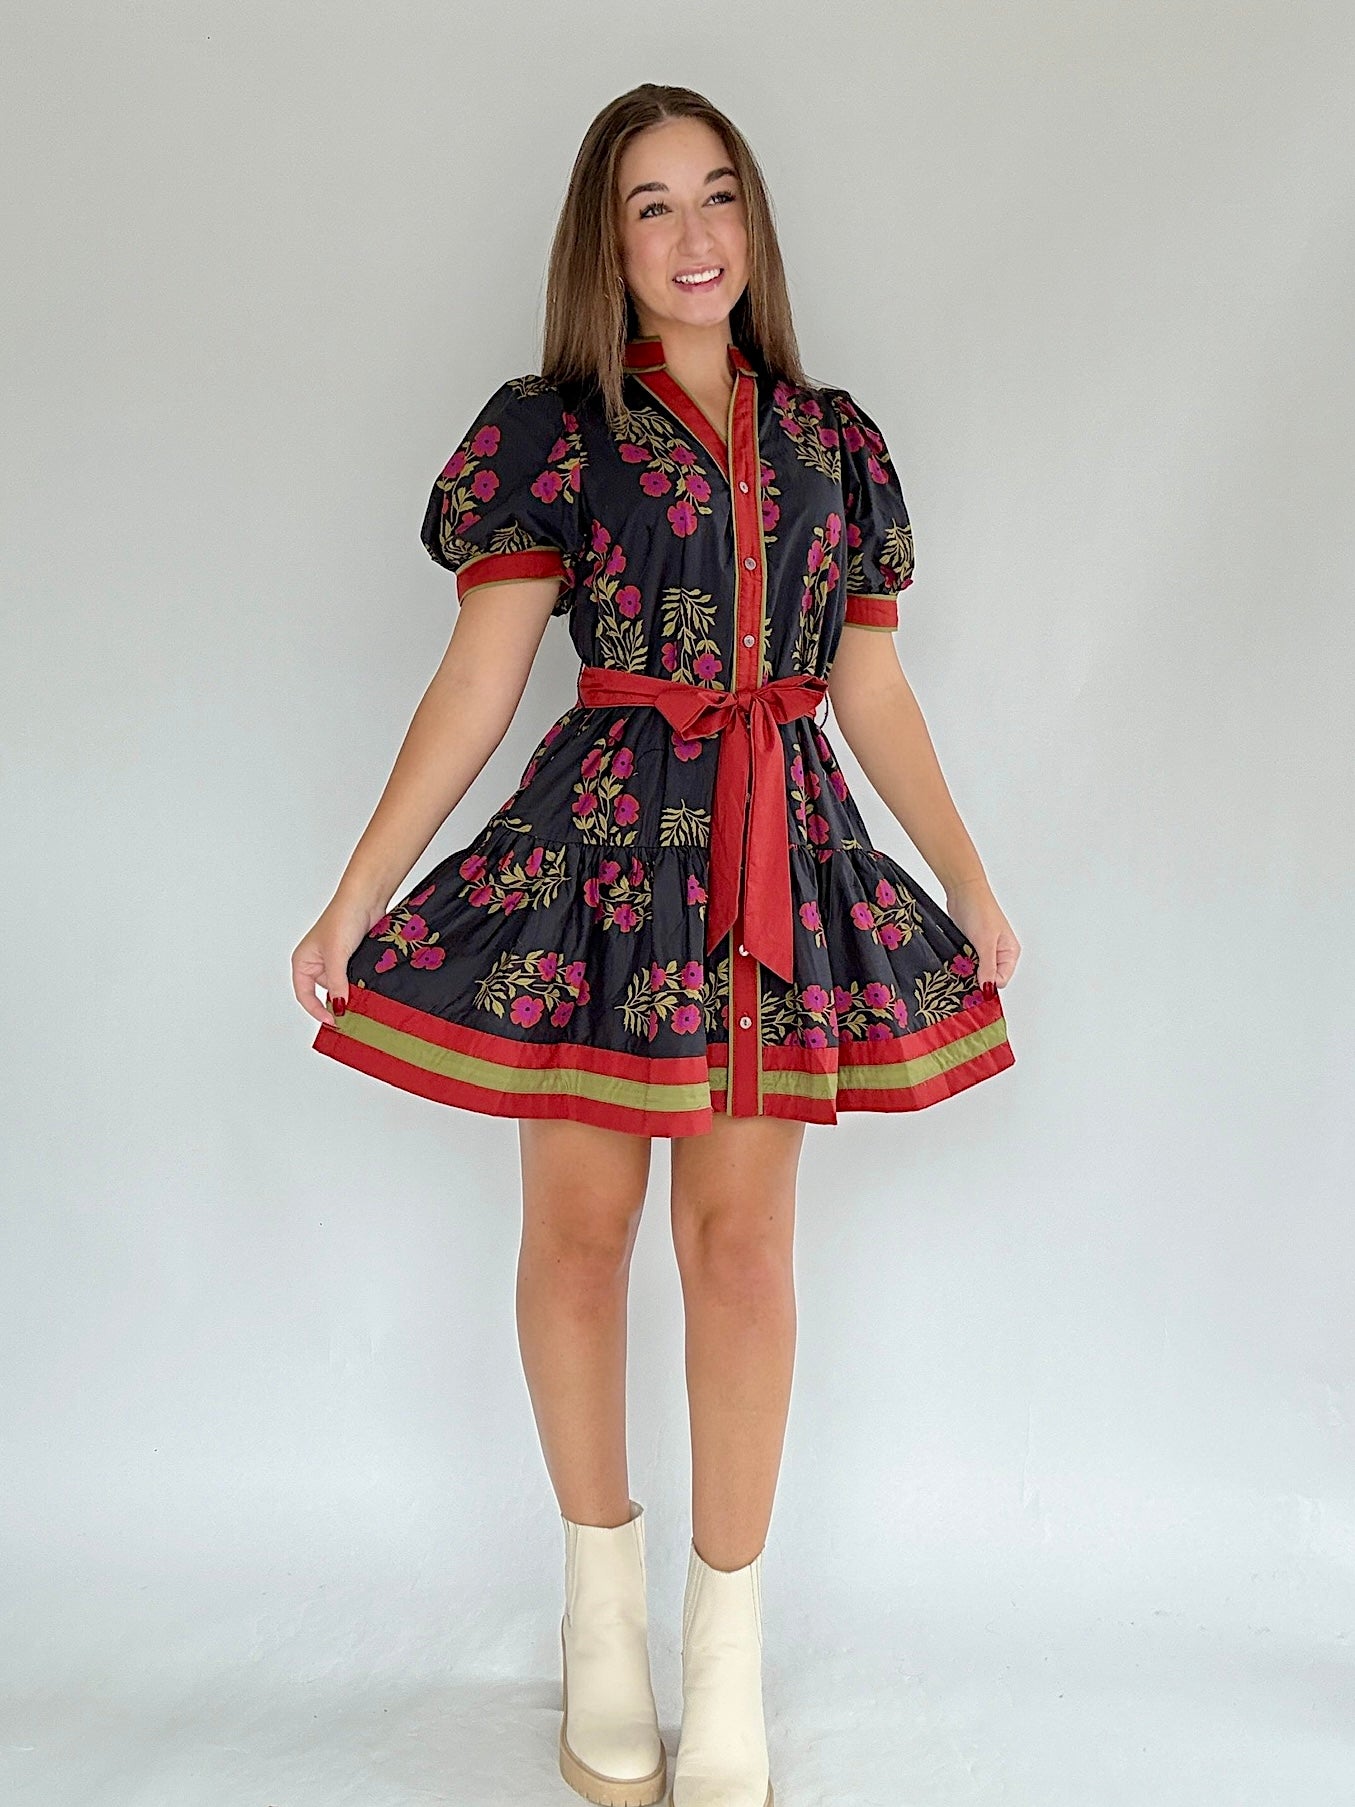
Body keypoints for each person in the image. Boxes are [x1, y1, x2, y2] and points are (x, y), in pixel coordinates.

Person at [292, 82, 1020, 1807]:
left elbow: (869, 683)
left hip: (777, 846)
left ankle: (725, 1657)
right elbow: (482, 677)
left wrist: (969, 875)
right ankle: (602, 1624)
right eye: (652, 206)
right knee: (580, 1233)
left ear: (752, 223)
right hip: (603, 854)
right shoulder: (552, 429)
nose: (695, 236)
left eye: (718, 197)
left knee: (743, 1250)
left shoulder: (833, 439)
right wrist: (360, 886)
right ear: (604, 243)